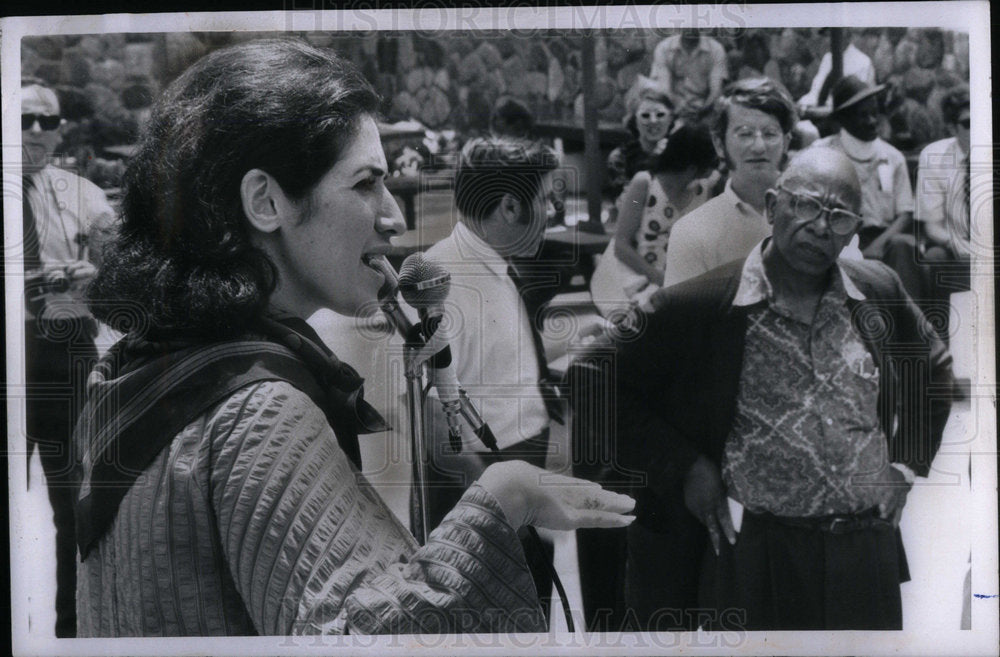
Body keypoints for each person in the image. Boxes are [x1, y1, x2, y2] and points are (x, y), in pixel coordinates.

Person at [75, 39, 634, 637]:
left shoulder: (140, 365)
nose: (393, 216)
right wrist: (503, 499)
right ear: (265, 201)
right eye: (366, 183)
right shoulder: (260, 411)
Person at [603, 148, 953, 630]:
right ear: (772, 207)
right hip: (761, 553)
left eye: (840, 215)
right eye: (806, 205)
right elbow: (602, 383)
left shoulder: (877, 290)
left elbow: (932, 366)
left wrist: (905, 464)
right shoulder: (702, 306)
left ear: (855, 227)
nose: (821, 227)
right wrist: (684, 466)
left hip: (865, 547)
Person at [420, 136, 562, 622]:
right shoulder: (443, 277)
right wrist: (495, 496)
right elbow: (429, 413)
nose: (553, 209)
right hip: (488, 490)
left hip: (515, 481)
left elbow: (498, 368)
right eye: (545, 198)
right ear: (507, 205)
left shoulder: (490, 265)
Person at [20, 79, 115, 638]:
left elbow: (121, 256)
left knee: (73, 498)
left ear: (60, 130)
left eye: (46, 121)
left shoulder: (81, 192)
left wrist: (97, 273)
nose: (36, 131)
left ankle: (70, 632)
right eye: (23, 119)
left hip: (65, 349)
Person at [661, 78, 796, 288]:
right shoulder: (691, 231)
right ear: (719, 143)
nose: (759, 146)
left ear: (786, 142)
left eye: (770, 134)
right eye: (745, 134)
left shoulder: (812, 218)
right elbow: (681, 318)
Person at [811, 75, 921, 299]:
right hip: (838, 236)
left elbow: (905, 212)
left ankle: (909, 322)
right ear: (842, 119)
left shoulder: (892, 156)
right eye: (863, 116)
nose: (872, 121)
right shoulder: (822, 153)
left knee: (905, 246)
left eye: (875, 113)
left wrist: (880, 244)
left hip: (884, 237)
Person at [593, 124, 717, 316]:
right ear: (693, 168)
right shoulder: (642, 184)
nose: (716, 169)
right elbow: (621, 244)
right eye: (712, 164)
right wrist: (659, 278)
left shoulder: (704, 188)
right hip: (638, 274)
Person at [915, 85, 971, 322]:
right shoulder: (935, 156)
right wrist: (958, 245)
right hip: (955, 245)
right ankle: (939, 346)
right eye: (968, 123)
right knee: (935, 258)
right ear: (951, 127)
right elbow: (933, 226)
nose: (980, 126)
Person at [605, 81, 675, 212]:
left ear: (670, 118)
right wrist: (652, 162)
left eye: (660, 115)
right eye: (645, 115)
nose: (653, 121)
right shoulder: (620, 157)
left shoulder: (681, 150)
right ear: (634, 121)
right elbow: (624, 204)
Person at [648, 30, 727, 122]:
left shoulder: (716, 49)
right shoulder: (664, 47)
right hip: (672, 103)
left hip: (704, 106)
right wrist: (678, 105)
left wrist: (703, 110)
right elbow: (664, 88)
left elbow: (716, 91)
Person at [797, 28, 876, 110]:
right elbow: (815, 93)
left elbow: (859, 99)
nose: (828, 40)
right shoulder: (827, 58)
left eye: (830, 36)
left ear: (847, 35)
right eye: (826, 36)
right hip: (818, 111)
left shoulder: (862, 61)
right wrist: (803, 104)